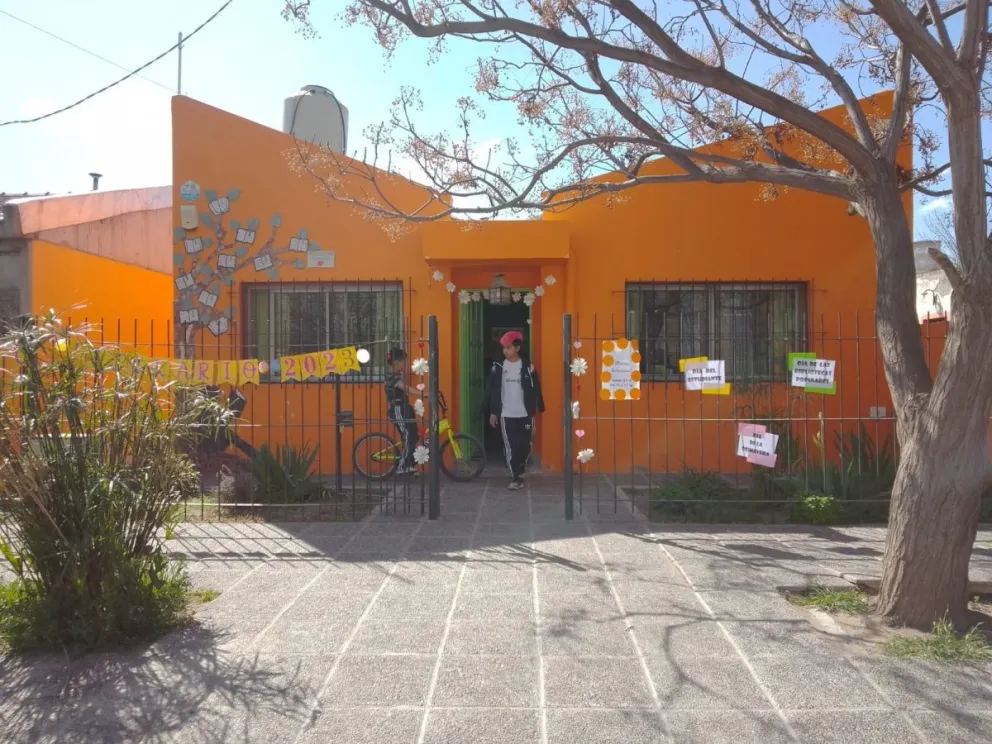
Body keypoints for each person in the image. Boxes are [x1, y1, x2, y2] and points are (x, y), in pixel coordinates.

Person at [482, 331, 545, 490]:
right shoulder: (498, 367)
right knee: (511, 446)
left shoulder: (528, 367)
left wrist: (539, 406)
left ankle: (520, 467)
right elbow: (493, 391)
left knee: (525, 445)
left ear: (517, 348)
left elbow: (536, 388)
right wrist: (493, 412)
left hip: (525, 413)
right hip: (506, 413)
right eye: (504, 348)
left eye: (509, 347)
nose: (505, 351)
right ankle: (515, 476)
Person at [385, 347, 418, 475]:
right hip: (398, 408)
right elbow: (405, 388)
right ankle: (402, 467)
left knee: (413, 435)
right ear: (396, 362)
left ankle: (409, 464)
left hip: (405, 407)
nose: (405, 364)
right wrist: (423, 394)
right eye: (404, 361)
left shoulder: (398, 374)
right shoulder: (391, 377)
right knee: (408, 435)